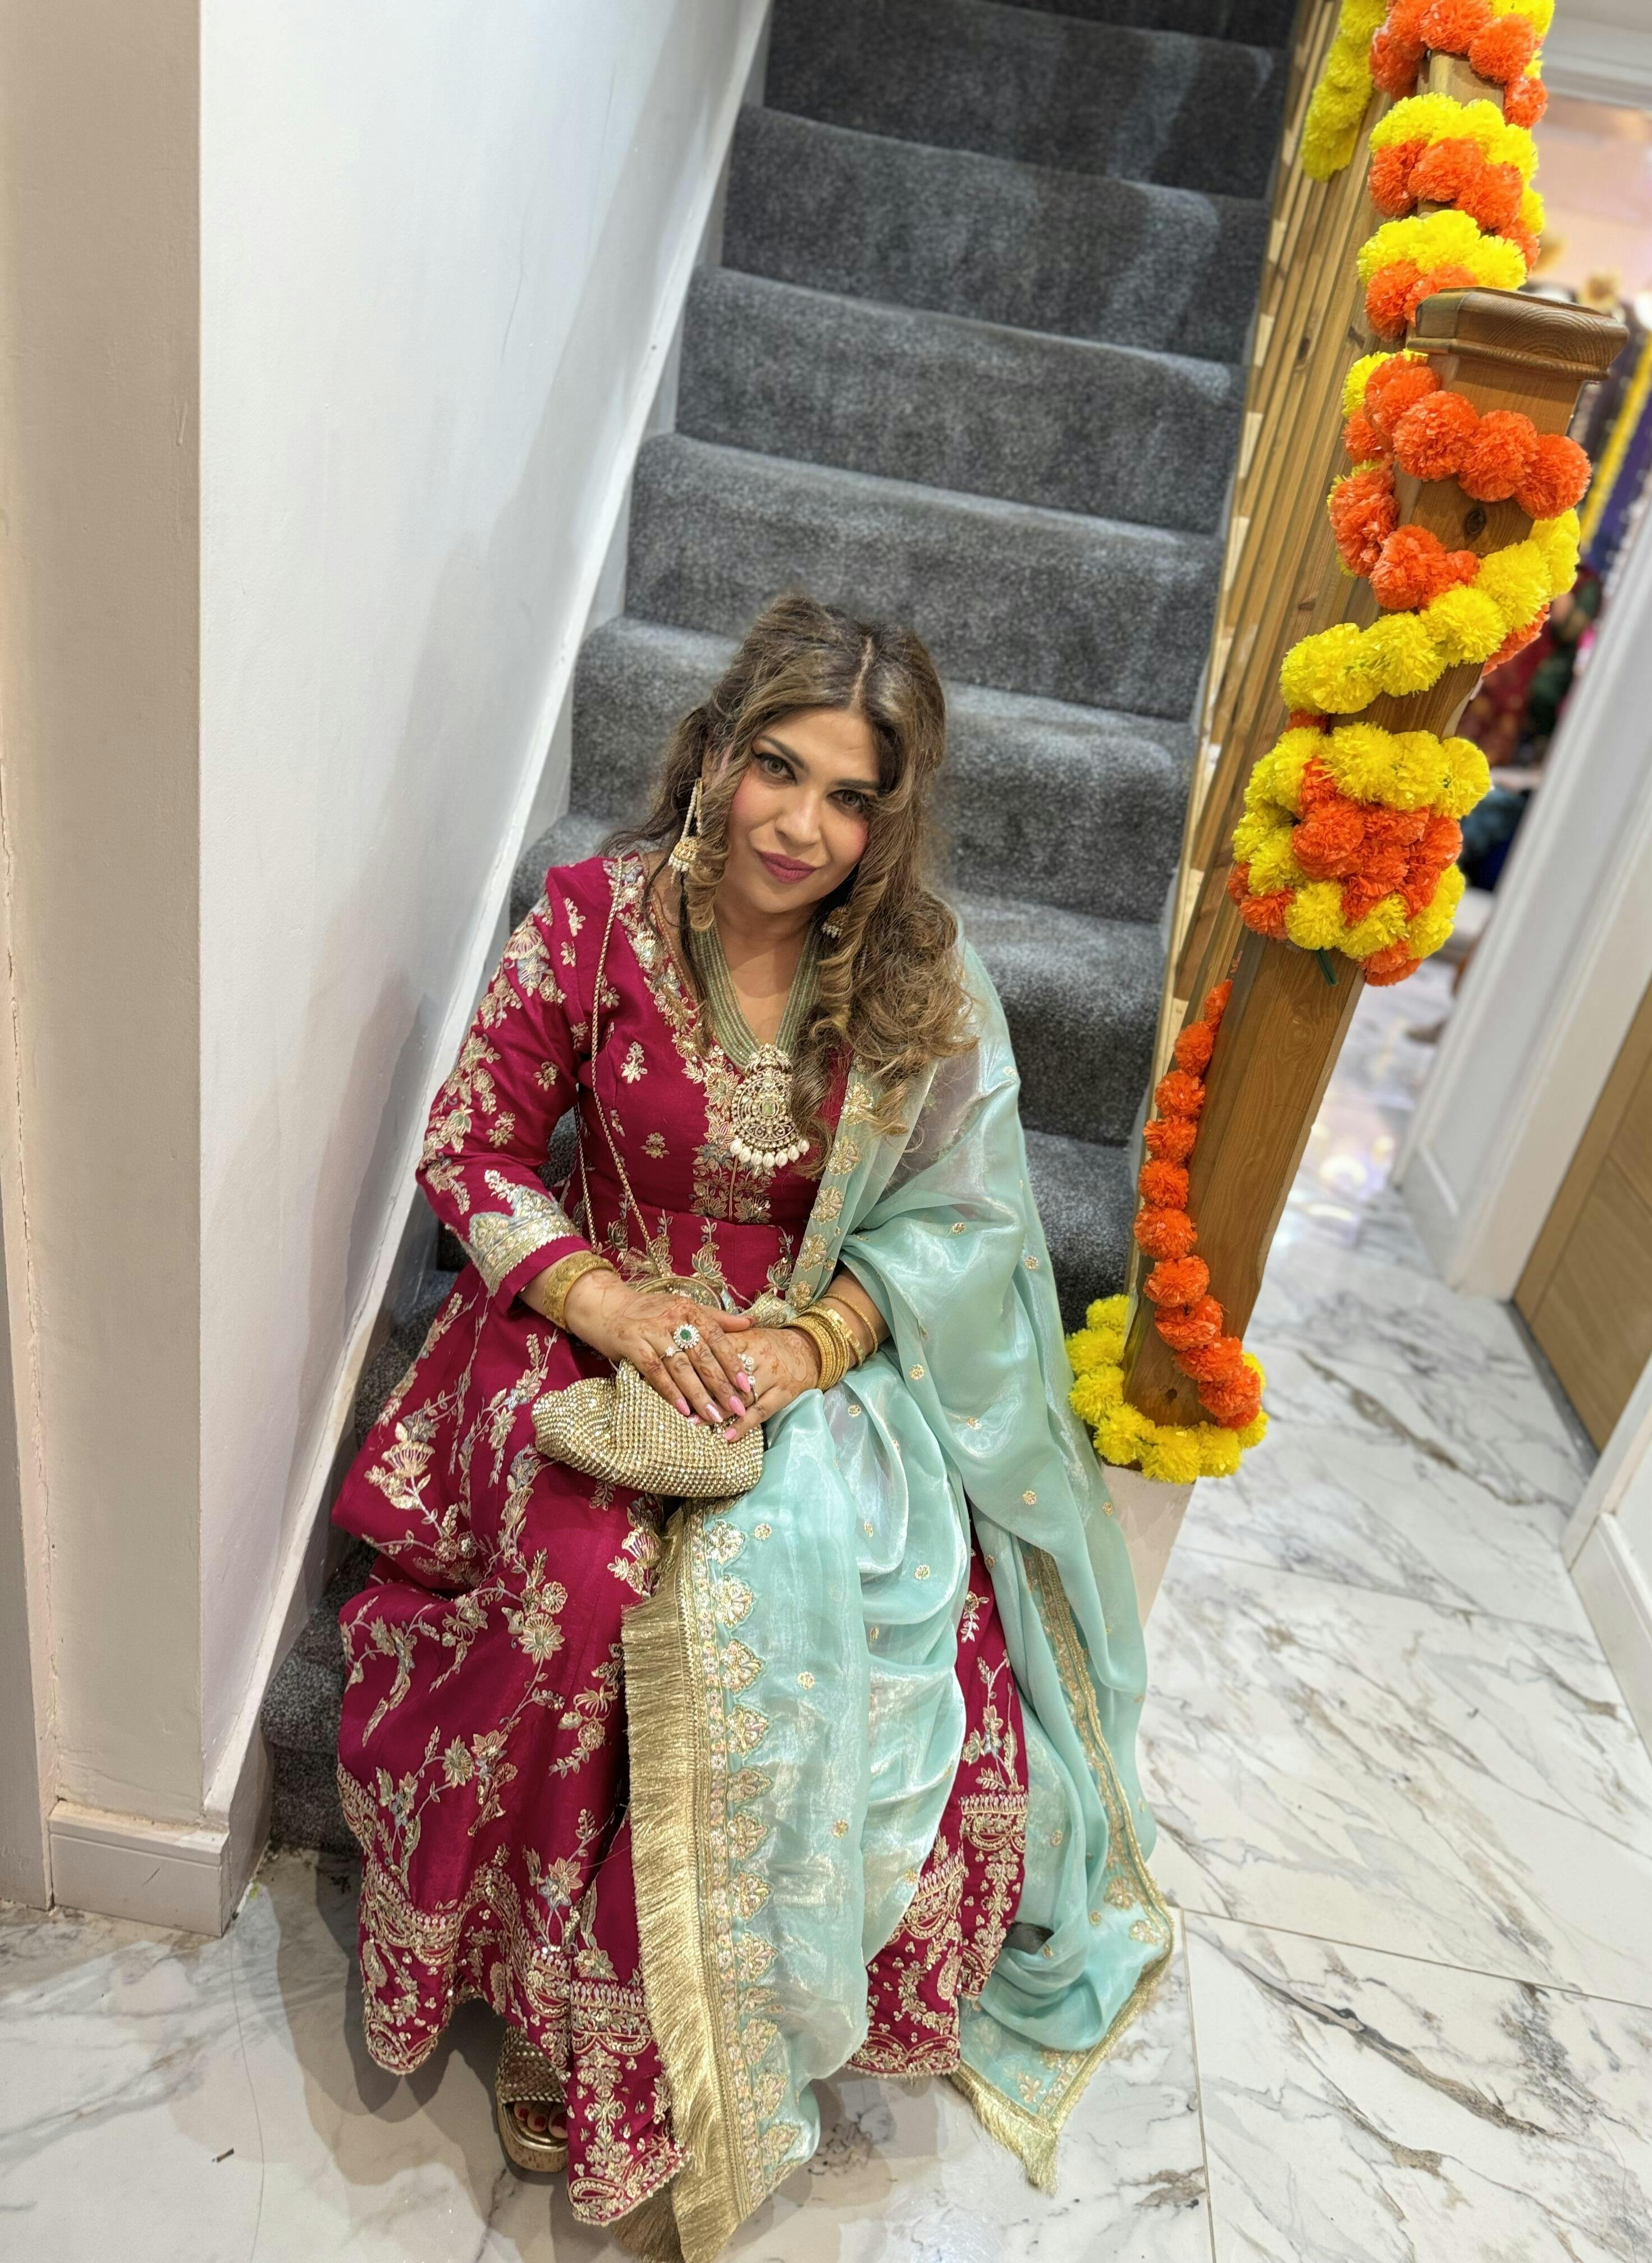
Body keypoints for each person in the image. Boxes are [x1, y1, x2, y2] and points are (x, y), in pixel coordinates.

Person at [332, 593, 1169, 2262]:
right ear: (714, 750)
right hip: (580, 1336)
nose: (800, 825)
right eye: (778, 767)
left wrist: (814, 1341)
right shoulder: (592, 923)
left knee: (852, 1608)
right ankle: (555, 2004)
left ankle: (719, 2017)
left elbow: (960, 1225)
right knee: (585, 1591)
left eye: (851, 797)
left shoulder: (917, 982)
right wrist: (617, 1311)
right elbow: (470, 1149)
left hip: (803, 1366)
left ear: (890, 821)